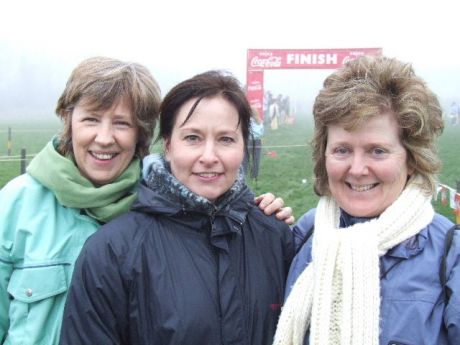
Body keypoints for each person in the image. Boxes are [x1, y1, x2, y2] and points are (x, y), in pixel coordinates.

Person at [0, 58, 289, 345]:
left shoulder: (167, 199)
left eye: (122, 123)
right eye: (91, 119)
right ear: (68, 120)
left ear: (142, 133)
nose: (104, 138)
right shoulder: (14, 206)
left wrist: (261, 218)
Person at [273, 56, 459, 345]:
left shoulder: (451, 255)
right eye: (342, 150)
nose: (357, 169)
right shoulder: (304, 236)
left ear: (411, 159)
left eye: (378, 151)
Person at [243, 105, 264, 181]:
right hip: (257, 141)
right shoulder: (260, 121)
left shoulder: (246, 121)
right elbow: (262, 132)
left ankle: (244, 175)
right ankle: (254, 176)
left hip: (248, 141)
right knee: (256, 159)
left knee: (245, 159)